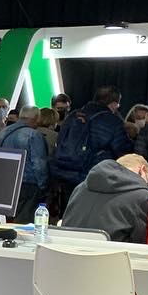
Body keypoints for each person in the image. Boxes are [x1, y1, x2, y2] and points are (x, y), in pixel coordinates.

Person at [48, 85, 131, 218]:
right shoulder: (112, 121)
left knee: (68, 216)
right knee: (88, 217)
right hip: (92, 177)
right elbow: (123, 152)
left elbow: (60, 140)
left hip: (64, 173)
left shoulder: (73, 115)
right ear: (114, 104)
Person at [59, 154, 148, 242]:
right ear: (142, 170)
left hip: (68, 254)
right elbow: (141, 242)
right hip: (112, 258)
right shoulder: (142, 197)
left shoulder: (80, 187)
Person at [0, 106, 48, 222]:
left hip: (6, 182)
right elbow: (39, 164)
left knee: (6, 219)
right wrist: (43, 185)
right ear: (36, 118)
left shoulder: (3, 133)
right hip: (28, 184)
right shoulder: (34, 135)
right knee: (23, 221)